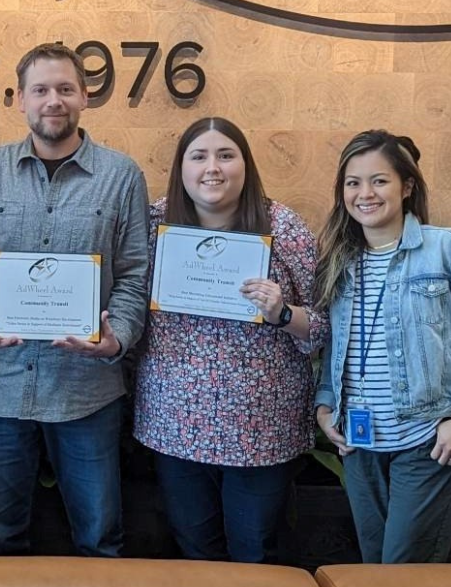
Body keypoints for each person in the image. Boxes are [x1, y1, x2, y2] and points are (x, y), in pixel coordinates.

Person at [0, 42, 149, 557]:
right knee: (0, 538)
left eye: (64, 89)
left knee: (100, 540)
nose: (52, 100)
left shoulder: (122, 177)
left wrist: (116, 335)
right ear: (20, 100)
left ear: (84, 97)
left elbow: (135, 272)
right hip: (0, 392)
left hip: (87, 394)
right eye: (40, 90)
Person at [133, 117, 329, 563]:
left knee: (255, 555)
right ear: (182, 167)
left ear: (246, 164)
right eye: (198, 156)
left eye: (226, 155)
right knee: (195, 552)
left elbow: (323, 326)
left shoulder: (283, 227)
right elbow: (128, 303)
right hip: (174, 424)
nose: (212, 168)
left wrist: (282, 314)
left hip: (262, 429)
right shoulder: (154, 223)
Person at [311, 129, 451, 564]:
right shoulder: (341, 262)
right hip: (360, 444)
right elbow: (336, 343)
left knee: (403, 570)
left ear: (407, 186)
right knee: (373, 568)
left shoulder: (450, 249)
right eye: (353, 182)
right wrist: (326, 407)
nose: (365, 193)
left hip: (426, 439)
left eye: (379, 180)